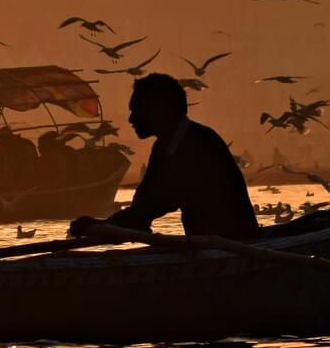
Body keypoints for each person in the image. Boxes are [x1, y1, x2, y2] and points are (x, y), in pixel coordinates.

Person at [69, 73, 257, 241]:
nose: (131, 119)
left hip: (233, 241)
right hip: (203, 245)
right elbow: (144, 200)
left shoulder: (200, 142)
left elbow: (163, 199)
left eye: (136, 110)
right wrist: (109, 226)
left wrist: (109, 225)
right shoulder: (162, 147)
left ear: (159, 109)